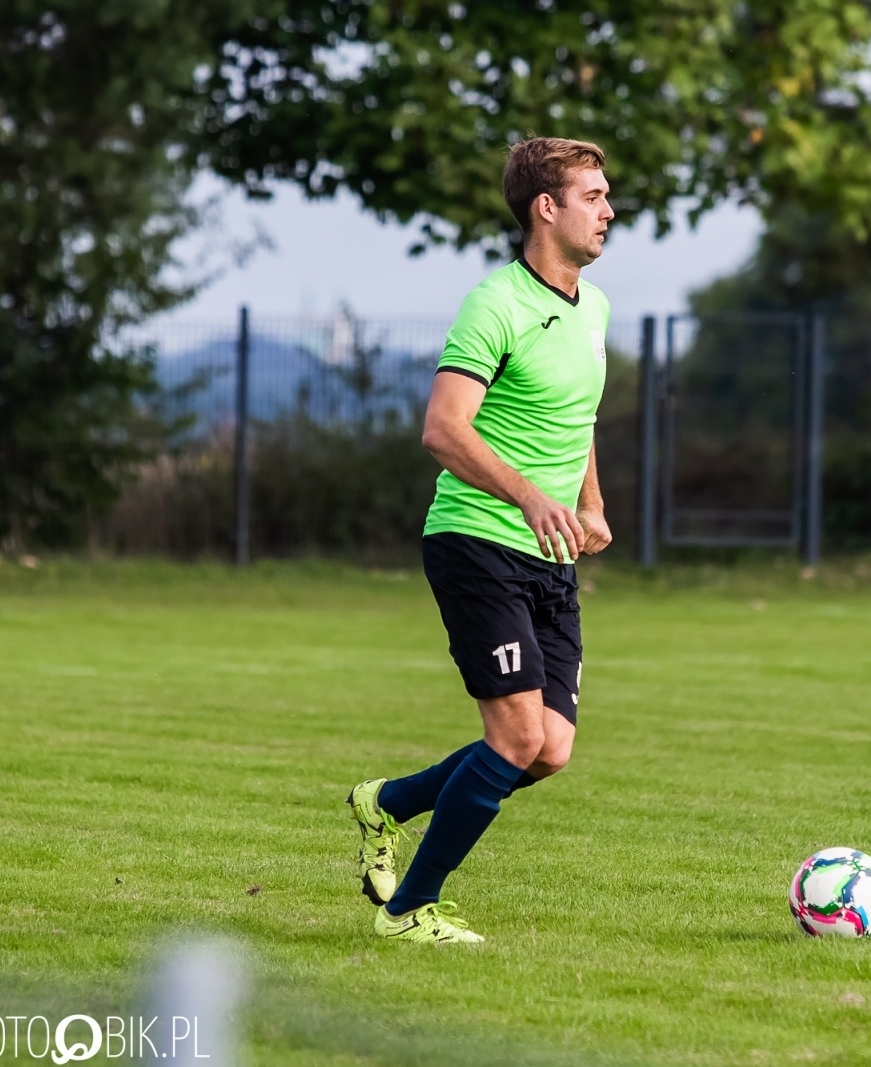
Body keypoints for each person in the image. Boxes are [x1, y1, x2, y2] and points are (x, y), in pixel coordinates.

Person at [346, 137, 615, 943]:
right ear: (547, 207)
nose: (609, 210)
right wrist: (531, 496)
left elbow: (578, 418)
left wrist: (591, 504)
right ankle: (410, 908)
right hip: (477, 541)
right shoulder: (494, 303)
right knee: (517, 735)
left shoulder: (593, 307)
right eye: (593, 196)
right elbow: (443, 429)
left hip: (551, 556)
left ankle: (386, 802)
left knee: (550, 750)